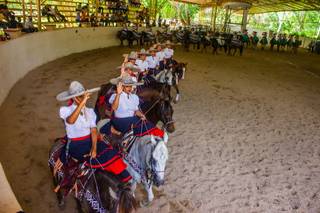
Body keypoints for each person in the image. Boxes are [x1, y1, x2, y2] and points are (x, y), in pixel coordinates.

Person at [55, 81, 132, 183]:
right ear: (74, 98)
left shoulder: (90, 112)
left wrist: (94, 148)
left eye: (84, 96)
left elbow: (93, 130)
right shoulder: (65, 110)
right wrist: (82, 103)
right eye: (80, 97)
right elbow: (71, 121)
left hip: (90, 141)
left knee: (111, 153)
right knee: (92, 160)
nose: (84, 99)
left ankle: (125, 183)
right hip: (75, 144)